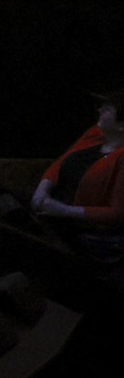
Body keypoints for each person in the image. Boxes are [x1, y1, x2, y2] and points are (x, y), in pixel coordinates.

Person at [31, 90, 124, 281]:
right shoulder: (96, 133)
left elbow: (116, 213)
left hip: (88, 236)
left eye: (107, 110)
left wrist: (62, 210)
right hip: (54, 211)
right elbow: (60, 163)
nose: (100, 111)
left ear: (121, 125)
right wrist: (41, 192)